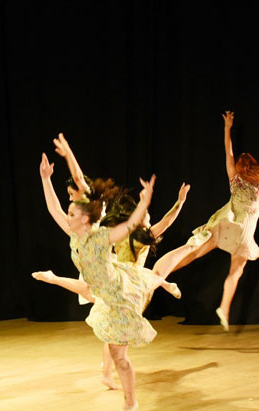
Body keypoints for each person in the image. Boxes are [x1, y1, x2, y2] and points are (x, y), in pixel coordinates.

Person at [32, 134, 186, 389]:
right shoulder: (74, 229)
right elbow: (54, 209)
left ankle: (171, 272)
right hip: (98, 279)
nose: (69, 201)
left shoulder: (95, 227)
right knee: (109, 319)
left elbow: (80, 181)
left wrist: (68, 153)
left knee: (118, 311)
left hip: (112, 279)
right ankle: (110, 373)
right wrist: (45, 179)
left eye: (72, 196)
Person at [154, 111, 259, 331]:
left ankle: (161, 275)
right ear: (253, 164)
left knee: (194, 253)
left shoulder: (234, 177)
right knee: (235, 273)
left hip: (226, 227)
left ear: (239, 166)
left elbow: (228, 152)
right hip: (244, 234)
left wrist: (227, 127)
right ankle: (224, 308)